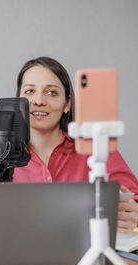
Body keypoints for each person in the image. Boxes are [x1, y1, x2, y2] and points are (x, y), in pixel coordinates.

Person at [13, 56, 138, 234]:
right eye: (29, 91)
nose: (38, 100)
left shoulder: (95, 146)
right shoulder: (2, 154)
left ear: (67, 104)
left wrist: (133, 214)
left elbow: (134, 200)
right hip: (23, 255)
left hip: (87, 253)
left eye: (52, 92)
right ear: (18, 100)